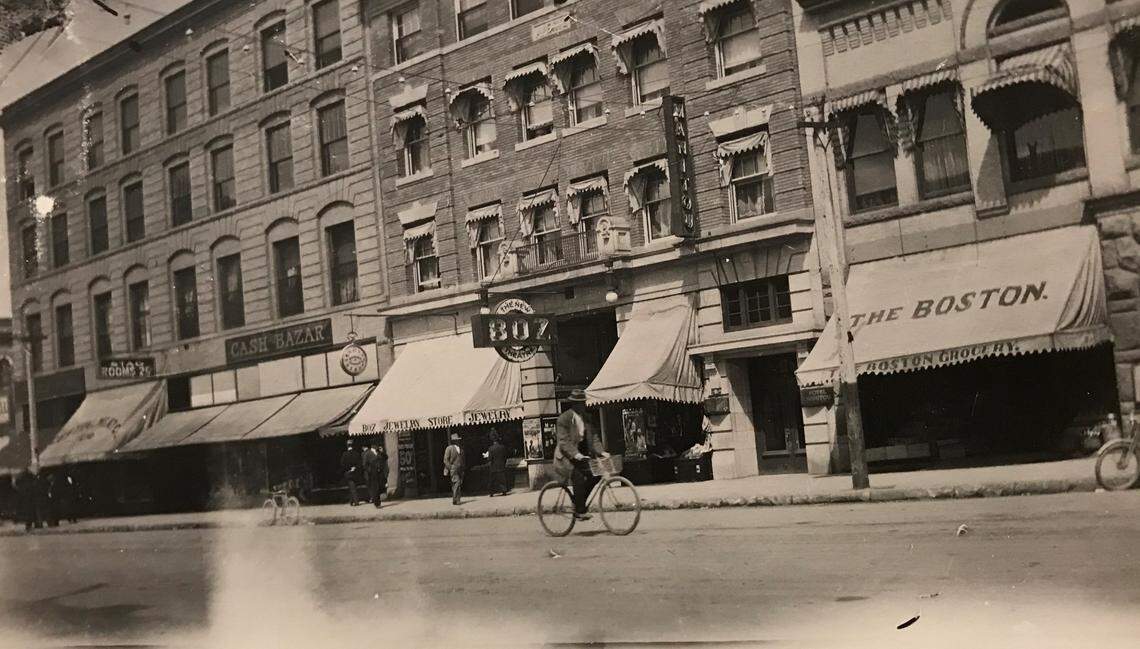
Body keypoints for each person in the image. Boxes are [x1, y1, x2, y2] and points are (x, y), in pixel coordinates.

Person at [554, 389, 607, 520]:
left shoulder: (587, 418)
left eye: (583, 403)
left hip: (581, 456)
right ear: (573, 404)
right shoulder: (564, 419)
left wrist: (601, 451)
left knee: (597, 474)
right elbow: (564, 441)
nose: (582, 406)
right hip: (565, 458)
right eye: (579, 403)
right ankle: (579, 510)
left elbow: (594, 437)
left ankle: (579, 502)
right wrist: (576, 454)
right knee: (577, 476)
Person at [443, 433, 465, 505]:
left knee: (458, 484)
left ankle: (457, 499)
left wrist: (463, 468)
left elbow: (463, 459)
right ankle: (455, 499)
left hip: (460, 469)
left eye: (458, 440)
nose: (457, 441)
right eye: (456, 440)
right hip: (454, 468)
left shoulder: (461, 448)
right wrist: (450, 467)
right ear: (453, 441)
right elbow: (445, 460)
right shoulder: (449, 448)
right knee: (457, 482)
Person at [340, 440, 363, 506]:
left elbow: (342, 464)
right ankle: (351, 501)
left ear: (347, 445)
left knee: (352, 487)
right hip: (355, 472)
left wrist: (348, 469)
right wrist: (355, 467)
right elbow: (360, 463)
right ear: (353, 445)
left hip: (348, 472)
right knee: (353, 487)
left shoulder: (344, 454)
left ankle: (356, 501)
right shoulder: (356, 453)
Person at [486, 431, 509, 497]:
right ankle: (504, 491)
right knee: (502, 479)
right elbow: (505, 457)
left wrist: (487, 458)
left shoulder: (491, 448)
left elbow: (490, 458)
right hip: (501, 466)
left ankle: (491, 493)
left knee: (492, 480)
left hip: (494, 467)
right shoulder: (502, 447)